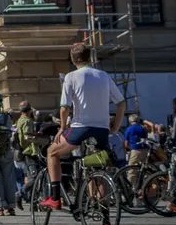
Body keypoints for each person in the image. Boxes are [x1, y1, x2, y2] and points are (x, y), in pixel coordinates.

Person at [42, 43, 125, 210]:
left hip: (80, 127)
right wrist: (115, 126)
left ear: (73, 60)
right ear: (90, 58)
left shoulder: (71, 77)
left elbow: (64, 107)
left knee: (52, 152)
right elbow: (121, 103)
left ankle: (55, 197)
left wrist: (62, 127)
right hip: (102, 129)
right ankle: (104, 217)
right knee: (98, 170)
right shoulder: (103, 75)